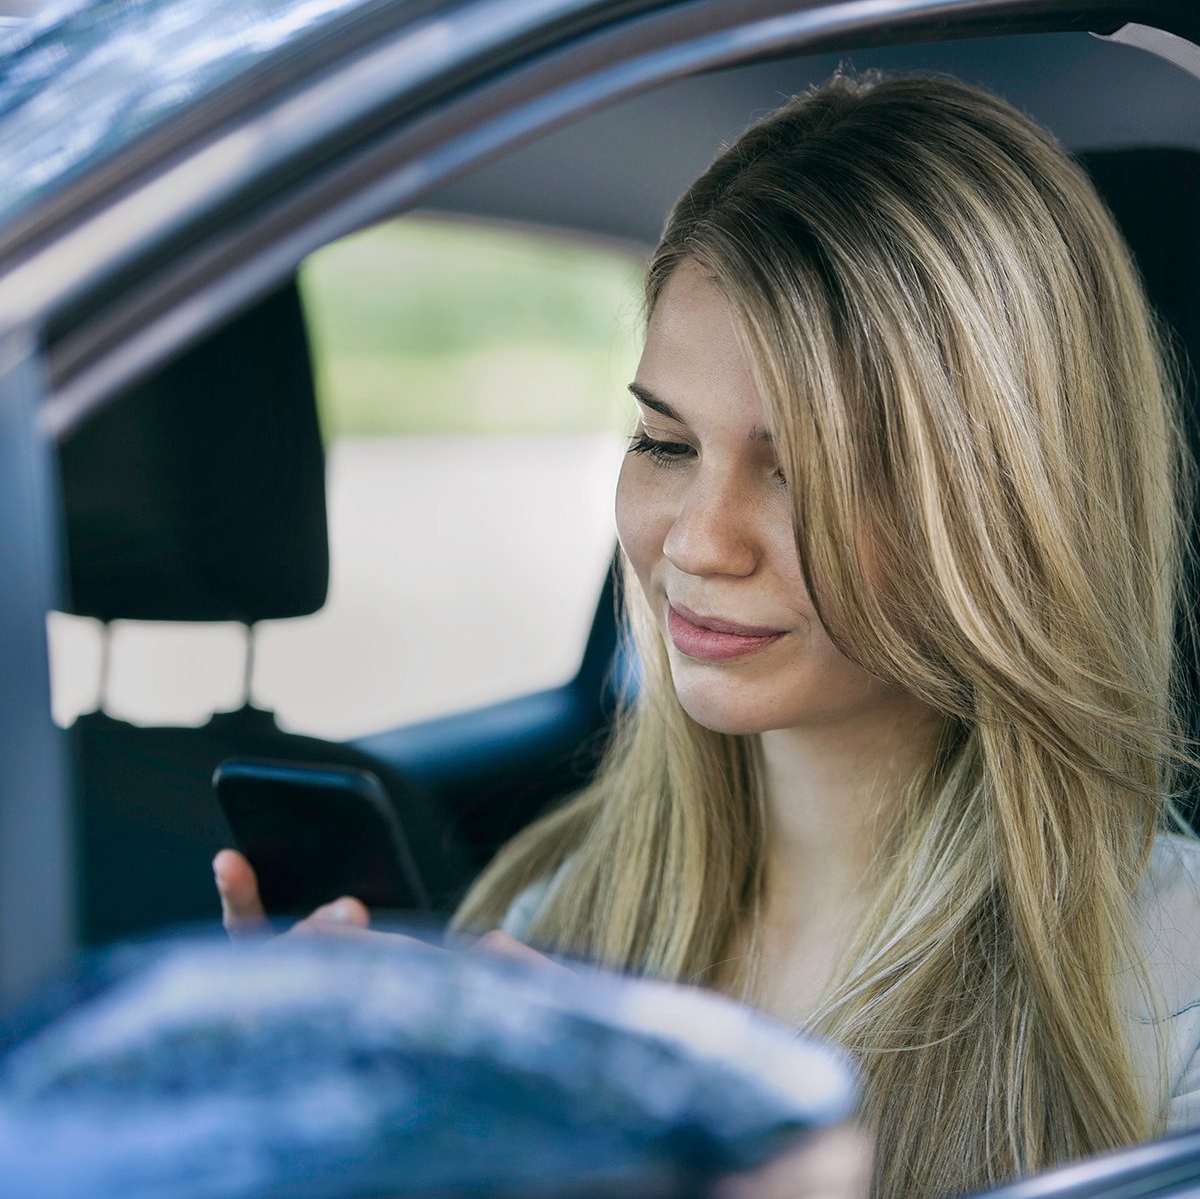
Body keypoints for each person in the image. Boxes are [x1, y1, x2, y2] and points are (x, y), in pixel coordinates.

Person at [216, 71, 1200, 1198]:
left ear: (999, 505)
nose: (696, 543)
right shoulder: (555, 914)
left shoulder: (1171, 991)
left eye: (801, 471)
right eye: (666, 442)